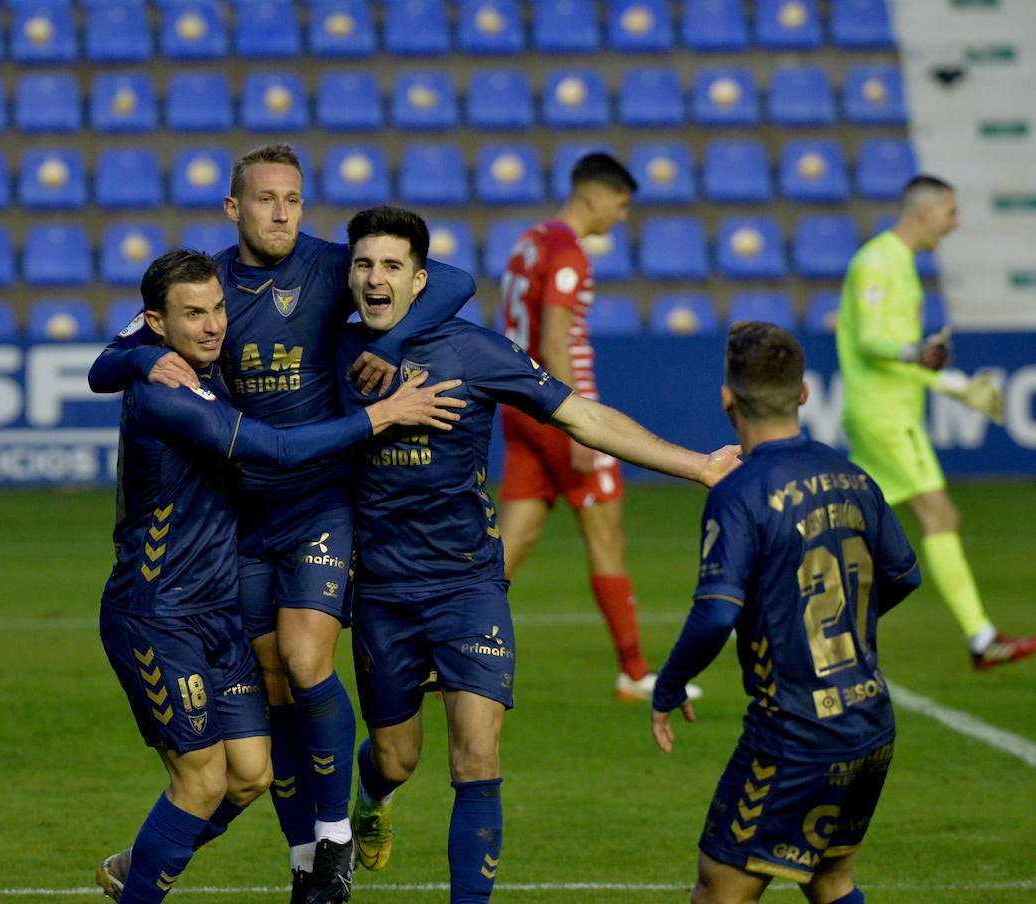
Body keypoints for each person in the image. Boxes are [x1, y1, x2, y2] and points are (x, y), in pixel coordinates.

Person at [90, 144, 475, 904]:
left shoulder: (330, 267)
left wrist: (391, 345)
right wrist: (140, 361)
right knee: (266, 706)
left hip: (317, 499)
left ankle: (334, 839)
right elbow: (105, 364)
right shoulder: (205, 287)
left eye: (293, 199)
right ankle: (305, 864)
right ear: (233, 208)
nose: (280, 213)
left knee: (305, 664)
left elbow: (455, 280)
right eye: (264, 199)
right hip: (238, 517)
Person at [335, 206, 741, 903]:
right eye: (365, 265)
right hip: (380, 592)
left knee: (478, 752)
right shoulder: (331, 353)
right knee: (398, 758)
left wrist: (698, 465)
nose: (376, 278)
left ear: (419, 280)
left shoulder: (473, 351)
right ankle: (372, 800)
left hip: (468, 583)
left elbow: (584, 416)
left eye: (392, 266)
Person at [652, 321, 923, 904]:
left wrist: (668, 685)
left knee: (717, 889)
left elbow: (715, 615)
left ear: (727, 397)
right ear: (803, 394)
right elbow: (904, 574)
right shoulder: (853, 476)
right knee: (829, 879)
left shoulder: (740, 492)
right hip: (871, 722)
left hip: (795, 733)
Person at [497, 152, 699, 702]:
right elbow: (558, 341)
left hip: (518, 404)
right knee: (607, 535)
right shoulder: (568, 253)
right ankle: (634, 673)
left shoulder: (529, 241)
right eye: (621, 203)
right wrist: (577, 425)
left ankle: (448, 651)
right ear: (594, 197)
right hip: (560, 410)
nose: (621, 215)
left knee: (514, 538)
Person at [836, 174, 1035, 669]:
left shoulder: (897, 263)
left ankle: (800, 616)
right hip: (886, 416)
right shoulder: (877, 262)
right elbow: (868, 343)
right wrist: (920, 355)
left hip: (885, 410)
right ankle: (980, 636)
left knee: (851, 527)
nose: (955, 223)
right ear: (925, 213)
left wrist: (953, 385)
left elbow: (903, 358)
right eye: (950, 212)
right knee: (940, 515)